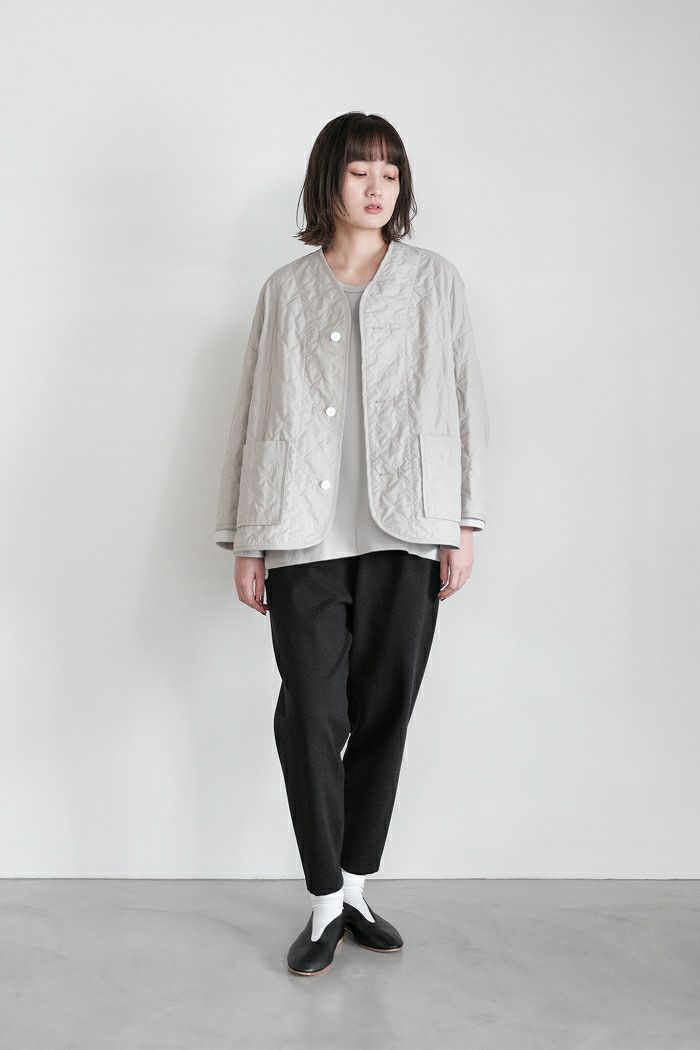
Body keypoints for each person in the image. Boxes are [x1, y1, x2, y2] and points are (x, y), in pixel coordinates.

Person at [214, 111, 490, 975]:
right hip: (298, 533)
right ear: (328, 180)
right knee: (311, 713)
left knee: (386, 707)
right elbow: (253, 410)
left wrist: (464, 524)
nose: (377, 188)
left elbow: (465, 401)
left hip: (409, 527)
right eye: (361, 171)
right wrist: (244, 539)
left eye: (391, 173)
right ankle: (323, 898)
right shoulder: (284, 290)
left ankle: (358, 886)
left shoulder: (435, 282)